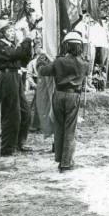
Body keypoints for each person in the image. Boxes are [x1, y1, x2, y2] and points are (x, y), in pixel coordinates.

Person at [38, 32, 89, 172]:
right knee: (70, 129)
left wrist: (42, 60)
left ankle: (60, 158)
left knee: (59, 127)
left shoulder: (59, 61)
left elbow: (43, 71)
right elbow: (87, 72)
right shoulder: (84, 63)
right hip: (73, 96)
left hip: (58, 94)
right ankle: (66, 162)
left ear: (66, 46)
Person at [0, 20, 32, 156]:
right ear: (1, 33)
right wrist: (25, 39)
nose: (12, 33)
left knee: (25, 111)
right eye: (9, 31)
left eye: (13, 30)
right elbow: (15, 55)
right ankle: (8, 148)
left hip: (16, 76)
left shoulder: (11, 45)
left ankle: (20, 142)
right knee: (11, 113)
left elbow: (24, 57)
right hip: (7, 78)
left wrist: (27, 42)